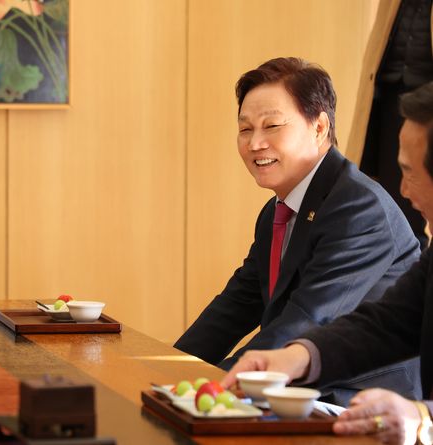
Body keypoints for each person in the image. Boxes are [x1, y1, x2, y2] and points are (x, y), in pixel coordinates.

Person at [174, 57, 421, 405]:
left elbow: (308, 319)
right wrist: (169, 368)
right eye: (245, 129)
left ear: (319, 127)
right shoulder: (277, 210)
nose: (255, 143)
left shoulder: (359, 207)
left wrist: (212, 386)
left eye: (272, 125)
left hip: (356, 401)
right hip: (297, 392)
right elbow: (235, 306)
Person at [221, 81, 433, 445]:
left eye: (410, 172)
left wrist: (422, 417)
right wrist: (299, 357)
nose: (403, 189)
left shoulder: (358, 204)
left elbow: (311, 314)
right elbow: (386, 324)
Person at [349, 0, 433, 248]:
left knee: (411, 202)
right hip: (387, 92)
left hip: (425, 101)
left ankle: (410, 260)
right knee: (374, 190)